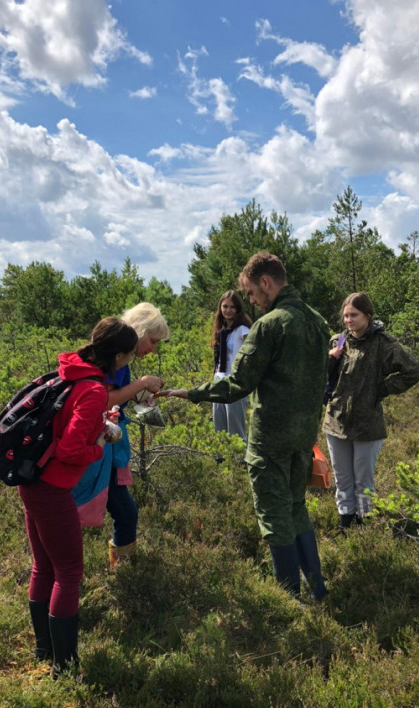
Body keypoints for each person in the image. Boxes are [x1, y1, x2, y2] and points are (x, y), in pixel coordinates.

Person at [159, 253, 330, 600]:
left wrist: (190, 393)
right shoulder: (318, 322)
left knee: (273, 514)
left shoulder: (270, 325)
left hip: (271, 440)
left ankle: (288, 597)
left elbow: (238, 383)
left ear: (266, 283)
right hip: (303, 437)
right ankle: (318, 589)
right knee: (296, 507)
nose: (250, 300)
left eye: (251, 292)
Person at [21, 317, 138, 677]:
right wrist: (100, 445)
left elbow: (63, 424)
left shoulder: (68, 372)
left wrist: (96, 425)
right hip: (54, 488)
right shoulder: (94, 390)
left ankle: (45, 650)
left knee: (44, 566)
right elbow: (72, 450)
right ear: (118, 355)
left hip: (32, 481)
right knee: (69, 572)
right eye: (130, 354)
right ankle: (65, 667)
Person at [73, 302, 169, 567]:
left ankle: (119, 568)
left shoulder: (120, 362)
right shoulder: (111, 359)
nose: (153, 348)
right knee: (124, 511)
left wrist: (139, 394)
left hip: (104, 446)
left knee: (121, 510)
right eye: (152, 341)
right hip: (95, 448)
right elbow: (100, 400)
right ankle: (121, 570)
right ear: (138, 332)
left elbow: (114, 400)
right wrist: (140, 385)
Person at [323, 292, 419, 531]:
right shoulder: (338, 341)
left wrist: (381, 389)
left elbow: (414, 370)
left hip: (367, 424)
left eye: (354, 315)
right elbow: (321, 377)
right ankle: (345, 524)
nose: (349, 320)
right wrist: (329, 359)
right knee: (343, 479)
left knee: (364, 482)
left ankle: (365, 522)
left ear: (367, 315)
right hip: (336, 421)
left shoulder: (383, 343)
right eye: (346, 315)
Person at [211, 290, 252, 442]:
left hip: (234, 382)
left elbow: (253, 352)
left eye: (232, 307)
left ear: (238, 309)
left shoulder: (243, 330)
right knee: (219, 425)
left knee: (235, 427)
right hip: (219, 380)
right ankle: (220, 460)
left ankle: (239, 460)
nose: (228, 310)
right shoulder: (221, 331)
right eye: (225, 306)